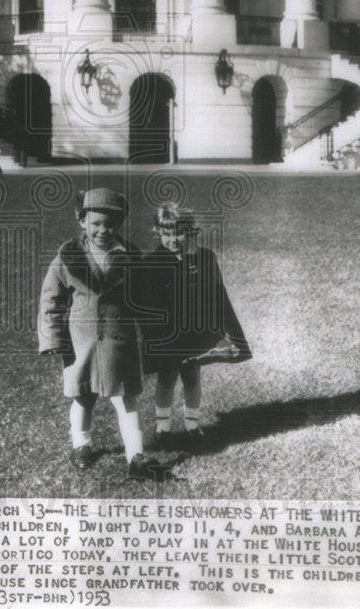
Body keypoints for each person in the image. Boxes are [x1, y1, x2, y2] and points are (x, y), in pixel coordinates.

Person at [38, 188, 157, 480]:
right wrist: (52, 338)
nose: (104, 230)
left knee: (127, 400)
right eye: (96, 224)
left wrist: (154, 331)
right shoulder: (66, 259)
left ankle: (136, 456)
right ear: (81, 221)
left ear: (119, 225)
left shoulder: (129, 257)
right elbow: (50, 301)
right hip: (82, 344)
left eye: (110, 224)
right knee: (83, 398)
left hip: (120, 342)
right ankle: (81, 445)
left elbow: (144, 298)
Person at [141, 203, 252, 446]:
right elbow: (148, 309)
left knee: (192, 376)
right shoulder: (151, 264)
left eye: (179, 233)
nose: (173, 239)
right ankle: (163, 427)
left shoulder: (204, 258)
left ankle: (192, 424)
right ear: (157, 232)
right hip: (168, 336)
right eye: (167, 233)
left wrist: (230, 334)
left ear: (191, 232)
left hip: (196, 333)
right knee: (167, 377)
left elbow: (219, 297)